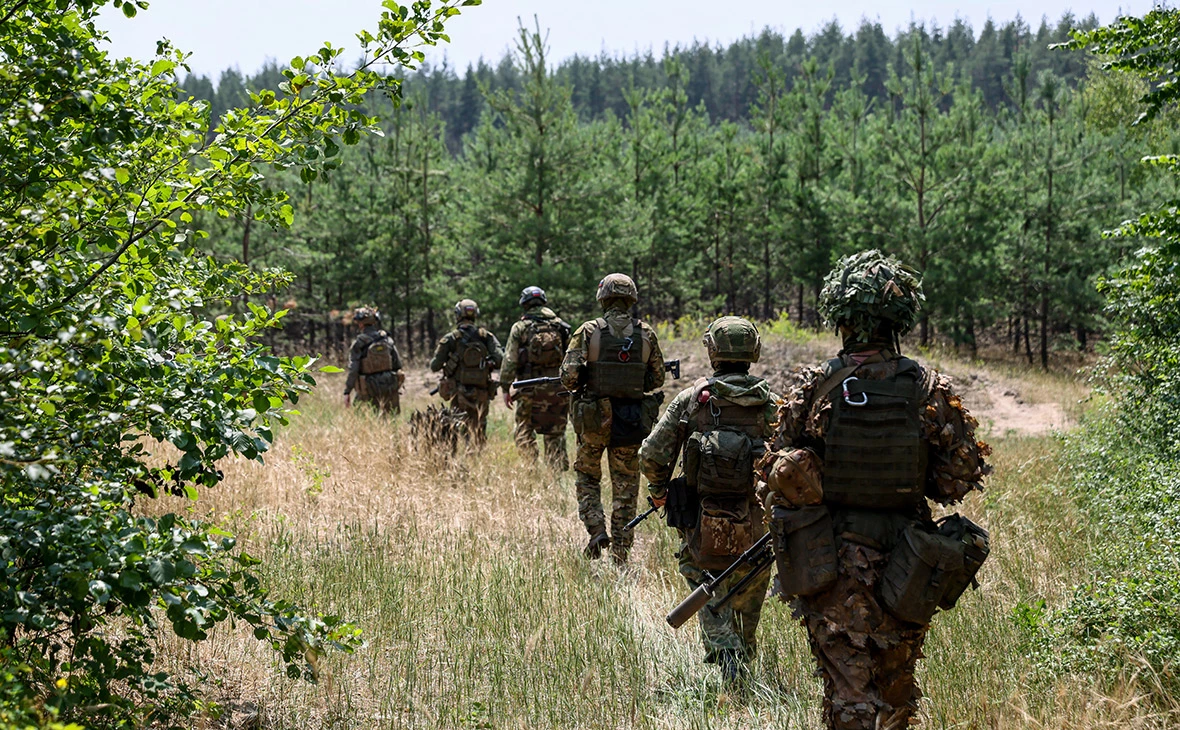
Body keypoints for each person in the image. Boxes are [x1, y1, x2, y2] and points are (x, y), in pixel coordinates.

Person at [758, 250, 991, 729]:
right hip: (908, 561)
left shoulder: (818, 385)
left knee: (848, 696)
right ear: (897, 321)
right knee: (896, 693)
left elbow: (772, 467)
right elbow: (959, 478)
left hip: (830, 562)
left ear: (842, 319)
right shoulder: (928, 388)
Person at [639, 316, 779, 680]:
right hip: (758, 523)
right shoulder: (772, 405)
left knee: (703, 579)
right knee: (749, 589)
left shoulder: (692, 401)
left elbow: (652, 455)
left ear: (712, 351)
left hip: (702, 518)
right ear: (754, 352)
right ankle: (740, 663)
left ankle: (728, 659)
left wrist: (658, 492)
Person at [561, 273, 664, 564]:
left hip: (594, 419)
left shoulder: (589, 330)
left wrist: (585, 380)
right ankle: (621, 553)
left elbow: (568, 376)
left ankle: (596, 530)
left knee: (587, 476)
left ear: (603, 298)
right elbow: (656, 379)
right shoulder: (646, 333)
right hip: (630, 421)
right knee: (626, 488)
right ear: (631, 299)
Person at [502, 286, 572, 470]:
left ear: (524, 304)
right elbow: (572, 359)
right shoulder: (561, 327)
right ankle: (556, 474)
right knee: (555, 433)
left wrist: (505, 389)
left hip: (528, 389)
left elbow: (509, 360)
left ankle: (529, 468)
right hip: (558, 389)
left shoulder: (520, 328)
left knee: (524, 430)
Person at [428, 299, 504, 444]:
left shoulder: (450, 338)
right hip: (481, 392)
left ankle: (457, 459)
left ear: (457, 315)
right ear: (476, 314)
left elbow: (434, 366)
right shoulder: (486, 336)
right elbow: (500, 360)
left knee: (456, 426)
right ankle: (477, 460)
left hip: (458, 392)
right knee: (479, 428)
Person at [343, 307, 404, 414]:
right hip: (389, 384)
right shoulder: (387, 340)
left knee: (360, 419)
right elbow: (397, 364)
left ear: (361, 324)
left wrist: (347, 391)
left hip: (367, 388)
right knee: (391, 418)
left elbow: (353, 369)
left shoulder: (359, 343)